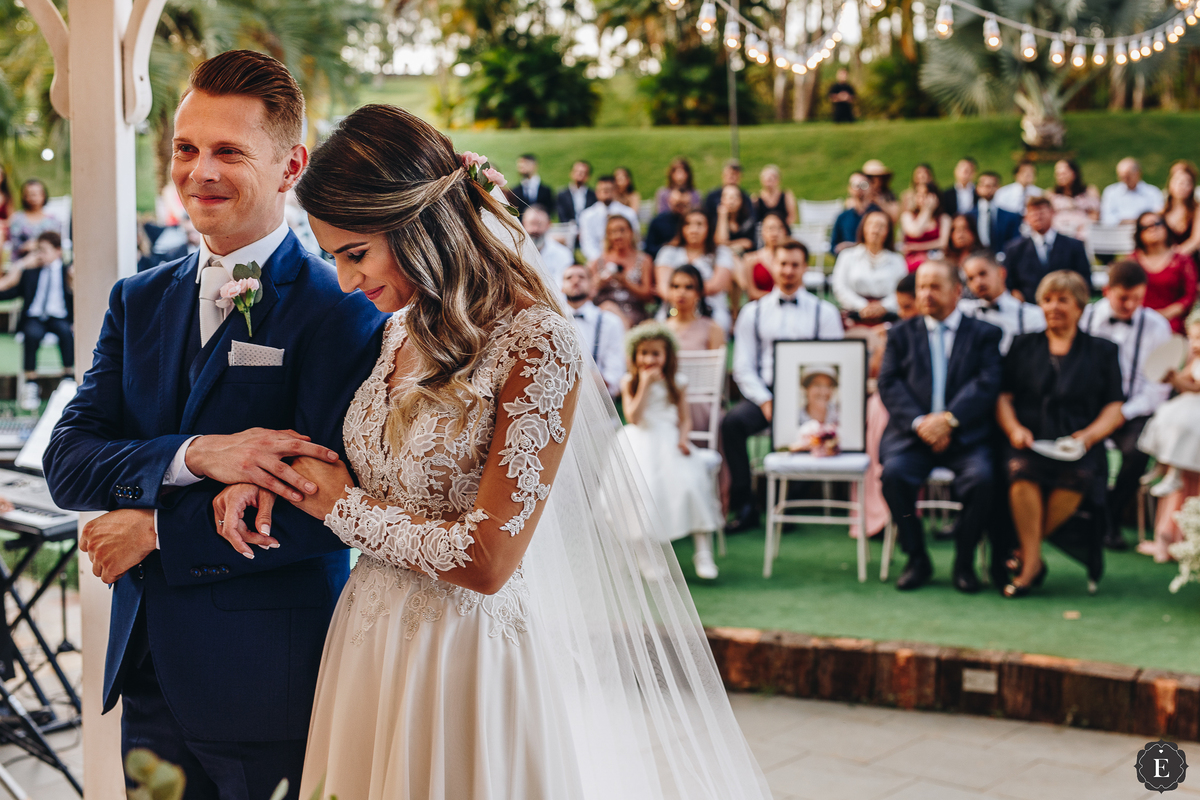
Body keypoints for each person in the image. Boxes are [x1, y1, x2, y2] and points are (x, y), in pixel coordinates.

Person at [230, 102, 774, 800]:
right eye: (333, 256)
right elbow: (379, 470)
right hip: (368, 640)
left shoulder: (536, 341)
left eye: (355, 253)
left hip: (463, 656)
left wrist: (341, 505)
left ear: (418, 224)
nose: (344, 280)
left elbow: (487, 560)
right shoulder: (401, 329)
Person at [42, 51, 390, 798]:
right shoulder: (137, 299)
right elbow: (70, 461)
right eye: (186, 147)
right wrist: (197, 455)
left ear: (291, 163)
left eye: (229, 151)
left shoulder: (344, 307)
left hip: (271, 682)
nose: (200, 171)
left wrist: (157, 532)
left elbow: (333, 507)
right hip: (148, 674)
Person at [996, 271, 1125, 596]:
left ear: (1080, 307)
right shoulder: (1023, 345)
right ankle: (1031, 566)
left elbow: (1114, 407)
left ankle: (1027, 556)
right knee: (1019, 470)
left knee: (1079, 476)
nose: (1054, 306)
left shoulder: (1103, 351)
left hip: (1078, 445)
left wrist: (1088, 436)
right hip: (1028, 440)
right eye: (1048, 299)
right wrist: (1014, 429)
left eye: (1063, 300)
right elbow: (1004, 397)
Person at [878, 260, 1003, 593]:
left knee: (984, 479)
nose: (926, 294)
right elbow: (889, 384)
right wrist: (923, 425)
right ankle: (916, 557)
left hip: (966, 437)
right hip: (912, 435)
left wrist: (948, 421)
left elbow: (988, 383)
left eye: (934, 286)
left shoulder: (985, 333)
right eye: (921, 287)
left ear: (957, 291)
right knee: (894, 475)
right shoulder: (901, 333)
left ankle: (964, 562)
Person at [724, 240, 843, 532]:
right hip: (764, 393)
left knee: (817, 428)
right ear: (772, 267)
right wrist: (765, 399)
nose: (788, 270)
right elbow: (743, 366)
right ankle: (746, 505)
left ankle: (790, 503)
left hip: (807, 398)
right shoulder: (753, 312)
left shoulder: (824, 312)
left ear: (805, 268)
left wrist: (806, 399)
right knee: (731, 424)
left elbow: (834, 362)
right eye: (783, 264)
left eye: (795, 264)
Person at [1079, 260, 1173, 550]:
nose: (1130, 304)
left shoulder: (1158, 326)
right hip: (1088, 406)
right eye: (1123, 297)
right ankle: (1083, 515)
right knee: (1083, 448)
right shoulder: (1086, 317)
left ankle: (1111, 515)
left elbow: (1157, 388)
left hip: (1133, 410)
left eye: (1138, 298)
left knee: (1137, 451)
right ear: (1107, 291)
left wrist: (1122, 412)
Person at [621, 324, 724, 579]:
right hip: (640, 439)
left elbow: (685, 418)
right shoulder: (630, 382)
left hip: (670, 439)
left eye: (655, 353)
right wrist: (644, 385)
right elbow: (633, 417)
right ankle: (645, 554)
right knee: (640, 491)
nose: (649, 359)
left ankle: (703, 552)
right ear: (635, 355)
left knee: (691, 484)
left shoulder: (677, 382)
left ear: (667, 356)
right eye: (643, 353)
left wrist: (684, 438)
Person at [1138, 314, 1200, 561]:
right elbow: (1187, 379)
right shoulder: (1194, 358)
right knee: (1168, 418)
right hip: (1189, 410)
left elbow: (1195, 386)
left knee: (1184, 425)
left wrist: (1177, 380)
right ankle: (1165, 466)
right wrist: (1174, 376)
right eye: (1193, 337)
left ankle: (1172, 469)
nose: (1195, 343)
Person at [0, 231, 74, 410]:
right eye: (38, 250)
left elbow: (77, 295)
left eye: (44, 250)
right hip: (35, 316)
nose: (40, 255)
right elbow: (11, 291)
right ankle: (31, 382)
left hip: (59, 316)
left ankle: (69, 378)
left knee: (66, 332)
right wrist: (20, 266)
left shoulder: (67, 271)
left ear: (57, 251)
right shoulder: (31, 272)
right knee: (31, 333)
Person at [664, 264, 726, 443]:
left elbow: (717, 381)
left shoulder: (713, 329)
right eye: (675, 286)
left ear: (699, 292)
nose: (681, 292)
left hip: (701, 403)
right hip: (669, 403)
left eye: (688, 287)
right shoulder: (661, 329)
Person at [654, 210, 736, 334]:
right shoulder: (668, 252)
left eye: (699, 224)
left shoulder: (721, 253)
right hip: (673, 309)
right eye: (688, 224)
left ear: (709, 227)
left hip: (710, 309)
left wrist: (680, 291)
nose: (694, 230)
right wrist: (683, 299)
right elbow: (663, 288)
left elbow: (716, 286)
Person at [1002, 196, 1091, 302]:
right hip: (1027, 307)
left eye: (1041, 212)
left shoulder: (1074, 246)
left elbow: (1085, 280)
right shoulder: (1014, 249)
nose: (1037, 217)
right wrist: (1014, 294)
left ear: (1052, 213)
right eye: (1033, 213)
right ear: (1026, 218)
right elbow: (1007, 282)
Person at [831, 209, 909, 325]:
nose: (875, 230)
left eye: (881, 226)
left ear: (888, 231)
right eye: (871, 224)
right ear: (863, 228)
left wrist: (883, 306)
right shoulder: (847, 256)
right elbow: (840, 286)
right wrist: (862, 306)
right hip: (854, 315)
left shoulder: (897, 260)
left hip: (888, 317)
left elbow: (902, 290)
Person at [959, 252, 1046, 355]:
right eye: (971, 278)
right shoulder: (964, 312)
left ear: (1001, 273)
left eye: (983, 273)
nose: (978, 282)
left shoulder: (1031, 315)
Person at [562, 263, 627, 397]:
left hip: (599, 399)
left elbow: (615, 374)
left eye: (582, 277)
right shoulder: (551, 320)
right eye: (569, 278)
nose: (575, 280)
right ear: (561, 287)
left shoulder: (610, 322)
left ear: (593, 286)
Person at [1133, 211, 1197, 334]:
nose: (1153, 229)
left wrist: (1167, 313)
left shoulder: (1182, 260)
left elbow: (1190, 295)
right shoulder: (1132, 261)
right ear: (1139, 233)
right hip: (1139, 320)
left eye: (1157, 224)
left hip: (1173, 322)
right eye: (1146, 227)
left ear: (1166, 227)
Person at [590, 215, 656, 327]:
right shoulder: (598, 261)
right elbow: (589, 294)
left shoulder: (644, 260)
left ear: (631, 232)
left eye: (622, 230)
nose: (618, 236)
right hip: (605, 313)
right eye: (612, 232)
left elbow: (648, 296)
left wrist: (625, 282)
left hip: (634, 313)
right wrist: (598, 284)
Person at [577, 175, 640, 262]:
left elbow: (635, 239)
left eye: (609, 190)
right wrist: (600, 261)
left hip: (625, 258)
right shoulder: (587, 215)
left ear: (616, 191)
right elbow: (587, 243)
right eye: (602, 190)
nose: (605, 193)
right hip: (597, 260)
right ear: (597, 192)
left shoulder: (628, 213)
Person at [899, 170, 950, 271]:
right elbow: (916, 231)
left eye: (925, 195)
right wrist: (927, 211)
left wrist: (915, 247)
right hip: (912, 264)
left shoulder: (944, 218)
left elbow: (943, 243)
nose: (922, 199)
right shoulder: (907, 216)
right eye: (919, 195)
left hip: (936, 263)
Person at [521, 204, 575, 291]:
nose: (535, 229)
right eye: (531, 224)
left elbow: (563, 285)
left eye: (539, 225)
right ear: (523, 224)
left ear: (548, 225)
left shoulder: (563, 253)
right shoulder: (513, 251)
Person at [1045, 159, 1100, 242]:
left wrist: (1083, 226)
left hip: (1082, 232)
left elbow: (1095, 215)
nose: (1061, 177)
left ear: (1074, 173)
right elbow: (1047, 215)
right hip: (1059, 231)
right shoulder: (1051, 194)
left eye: (1064, 173)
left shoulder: (1089, 191)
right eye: (1058, 174)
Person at [788, 366, 840, 454]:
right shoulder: (795, 417)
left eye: (829, 386)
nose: (824, 391)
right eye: (817, 385)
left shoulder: (839, 416)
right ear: (806, 389)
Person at [8, 178, 64, 259]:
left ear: (44, 195)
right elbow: (14, 244)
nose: (33, 198)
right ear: (24, 196)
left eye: (36, 194)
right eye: (30, 194)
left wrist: (38, 245)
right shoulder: (17, 219)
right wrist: (25, 247)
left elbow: (57, 243)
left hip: (48, 260)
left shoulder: (53, 220)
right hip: (25, 261)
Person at [738, 213, 789, 301]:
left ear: (785, 231)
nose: (775, 233)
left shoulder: (791, 260)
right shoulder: (750, 259)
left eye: (779, 228)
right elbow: (752, 293)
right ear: (763, 232)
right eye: (770, 229)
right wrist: (780, 298)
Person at [1100, 157, 1164, 226]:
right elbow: (1106, 218)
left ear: (1138, 173)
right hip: (1117, 233)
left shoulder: (1153, 192)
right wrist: (1136, 221)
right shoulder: (1111, 192)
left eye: (1128, 176)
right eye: (1121, 177)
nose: (1125, 180)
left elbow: (1157, 215)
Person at [970, 171, 1023, 252]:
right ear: (977, 188)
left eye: (992, 185)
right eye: (984, 185)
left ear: (998, 187)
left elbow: (1015, 242)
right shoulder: (968, 216)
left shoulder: (1011, 217)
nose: (988, 188)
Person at [1163, 160, 1200, 263]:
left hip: (1189, 261)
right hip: (1166, 262)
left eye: (1187, 183)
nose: (1182, 186)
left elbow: (1196, 240)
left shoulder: (1197, 210)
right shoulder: (1161, 212)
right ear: (1170, 184)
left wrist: (1175, 256)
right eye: (1179, 181)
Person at [831, 172, 876, 255]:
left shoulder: (878, 216)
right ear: (849, 188)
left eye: (863, 184)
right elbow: (833, 247)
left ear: (871, 187)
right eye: (855, 185)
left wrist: (851, 246)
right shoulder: (843, 217)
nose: (859, 188)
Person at [644, 187, 692, 260]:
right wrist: (668, 246)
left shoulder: (694, 222)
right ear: (670, 201)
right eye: (678, 204)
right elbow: (648, 249)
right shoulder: (658, 221)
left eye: (685, 205)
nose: (681, 208)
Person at [714, 183, 757, 253]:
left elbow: (749, 243)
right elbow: (720, 243)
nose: (731, 201)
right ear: (722, 200)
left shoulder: (748, 219)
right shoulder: (717, 219)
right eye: (727, 197)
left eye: (734, 197)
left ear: (741, 200)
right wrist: (722, 217)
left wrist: (727, 244)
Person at [555, 159, 596, 224]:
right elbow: (562, 215)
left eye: (583, 172)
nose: (580, 174)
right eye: (577, 171)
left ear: (588, 176)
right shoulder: (562, 194)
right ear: (571, 173)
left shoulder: (593, 195)